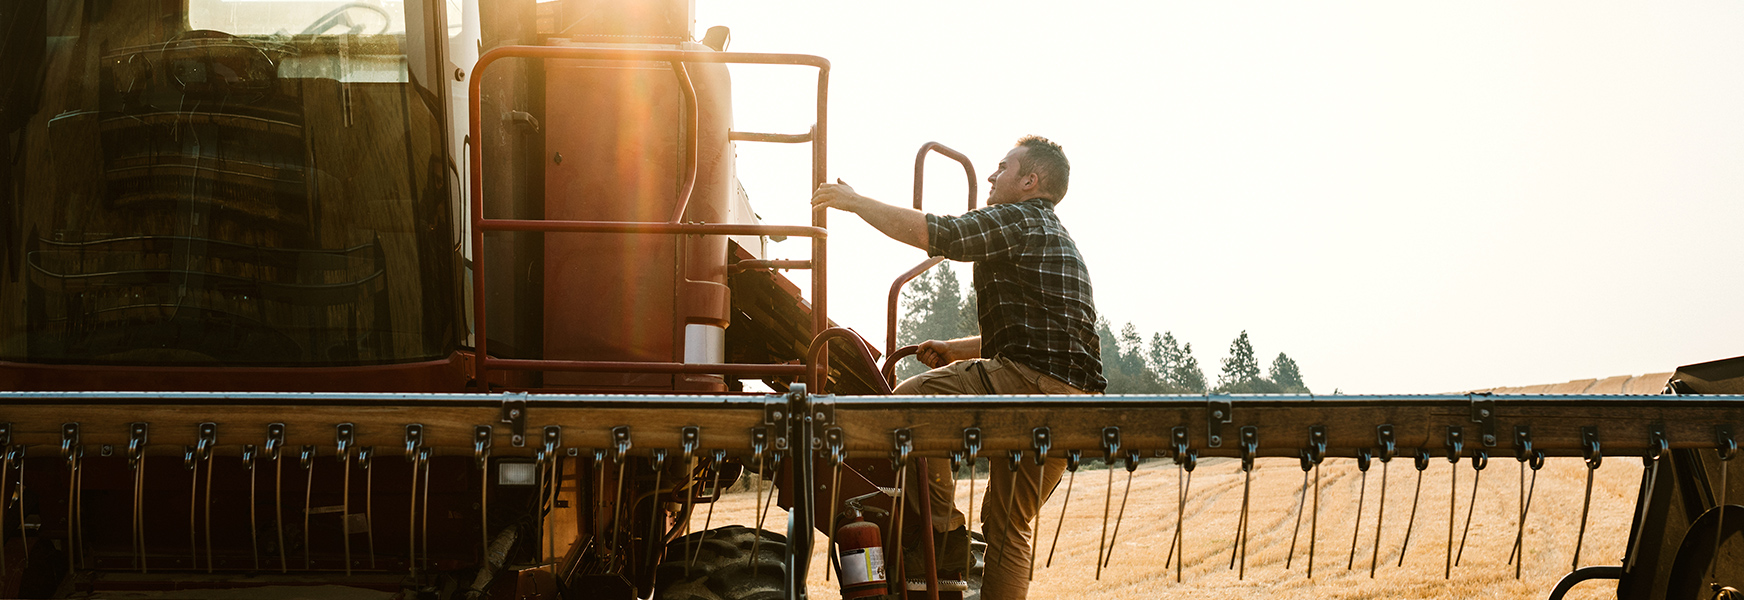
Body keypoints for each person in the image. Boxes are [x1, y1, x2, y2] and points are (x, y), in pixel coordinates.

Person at [812, 135, 1106, 600]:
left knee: (907, 403)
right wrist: (956, 349)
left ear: (1030, 181)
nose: (992, 175)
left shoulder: (1020, 219)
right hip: (1073, 403)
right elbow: (1045, 335)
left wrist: (855, 202)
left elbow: (939, 233)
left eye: (1003, 167)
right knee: (1009, 526)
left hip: (1026, 385)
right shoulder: (1056, 237)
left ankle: (943, 534)